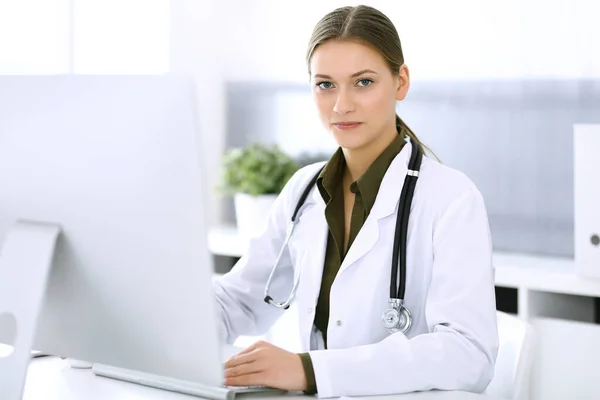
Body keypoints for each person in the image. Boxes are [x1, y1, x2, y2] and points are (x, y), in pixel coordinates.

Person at [214, 4, 498, 398]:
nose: (340, 105)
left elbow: (469, 355)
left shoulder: (451, 198)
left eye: (363, 82)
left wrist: (310, 371)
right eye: (325, 84)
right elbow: (237, 302)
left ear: (401, 82)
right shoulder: (303, 190)